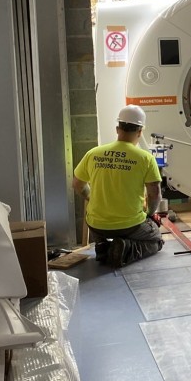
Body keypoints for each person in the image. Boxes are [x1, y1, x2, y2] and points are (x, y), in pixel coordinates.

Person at [72, 105, 164, 268]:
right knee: (157, 240)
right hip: (130, 226)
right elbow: (155, 194)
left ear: (117, 129)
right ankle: (126, 248)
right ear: (140, 131)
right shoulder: (145, 158)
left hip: (96, 225)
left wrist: (90, 197)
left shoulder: (93, 153)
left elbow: (78, 184)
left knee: (106, 232)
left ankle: (104, 247)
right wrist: (150, 214)